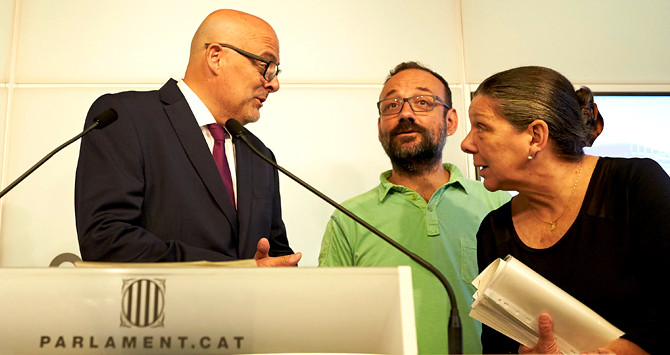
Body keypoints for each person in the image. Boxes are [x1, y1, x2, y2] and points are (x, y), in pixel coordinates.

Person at [460, 65, 668, 354]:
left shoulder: (635, 185)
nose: (466, 144)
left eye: (481, 127)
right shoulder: (494, 229)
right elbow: (496, 345)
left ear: (535, 136)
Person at [75, 9, 301, 267]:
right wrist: (232, 271)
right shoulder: (125, 118)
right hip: (161, 306)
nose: (274, 84)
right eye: (266, 67)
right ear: (216, 57)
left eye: (276, 72)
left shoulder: (259, 154)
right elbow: (106, 239)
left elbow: (273, 253)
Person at [319, 61, 511, 354]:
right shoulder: (348, 219)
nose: (405, 113)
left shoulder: (498, 203)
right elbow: (333, 325)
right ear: (380, 126)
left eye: (423, 102)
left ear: (450, 121)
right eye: (392, 105)